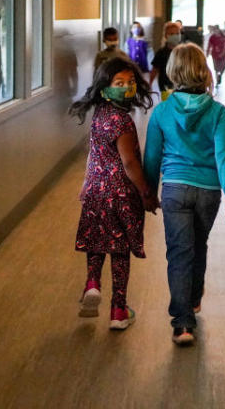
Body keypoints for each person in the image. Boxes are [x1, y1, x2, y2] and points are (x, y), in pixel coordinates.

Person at [143, 43, 225, 345]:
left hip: (174, 189)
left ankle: (183, 323)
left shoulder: (162, 112)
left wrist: (148, 194)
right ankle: (194, 298)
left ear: (172, 71)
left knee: (179, 253)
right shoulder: (218, 112)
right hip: (208, 192)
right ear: (203, 70)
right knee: (198, 244)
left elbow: (152, 159)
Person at [69, 57, 158, 330]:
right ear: (105, 87)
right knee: (119, 251)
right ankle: (119, 310)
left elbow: (93, 152)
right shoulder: (122, 122)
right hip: (121, 194)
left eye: (131, 82)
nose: (127, 88)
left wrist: (87, 182)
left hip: (97, 190)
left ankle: (92, 283)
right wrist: (146, 192)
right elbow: (130, 163)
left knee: (97, 241)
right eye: (119, 83)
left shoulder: (100, 114)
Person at [149, 21, 182, 101]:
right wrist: (150, 83)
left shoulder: (183, 51)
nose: (175, 36)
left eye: (177, 33)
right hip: (165, 86)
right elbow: (155, 69)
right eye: (171, 34)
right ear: (166, 36)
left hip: (181, 86)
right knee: (168, 105)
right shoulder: (161, 52)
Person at [205, 24, 225, 89]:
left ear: (218, 30)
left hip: (223, 54)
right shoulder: (212, 37)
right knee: (216, 68)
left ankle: (220, 75)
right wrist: (207, 54)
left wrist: (222, 53)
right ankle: (217, 81)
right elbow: (209, 46)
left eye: (216, 30)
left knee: (222, 67)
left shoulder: (223, 37)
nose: (215, 32)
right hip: (215, 54)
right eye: (214, 30)